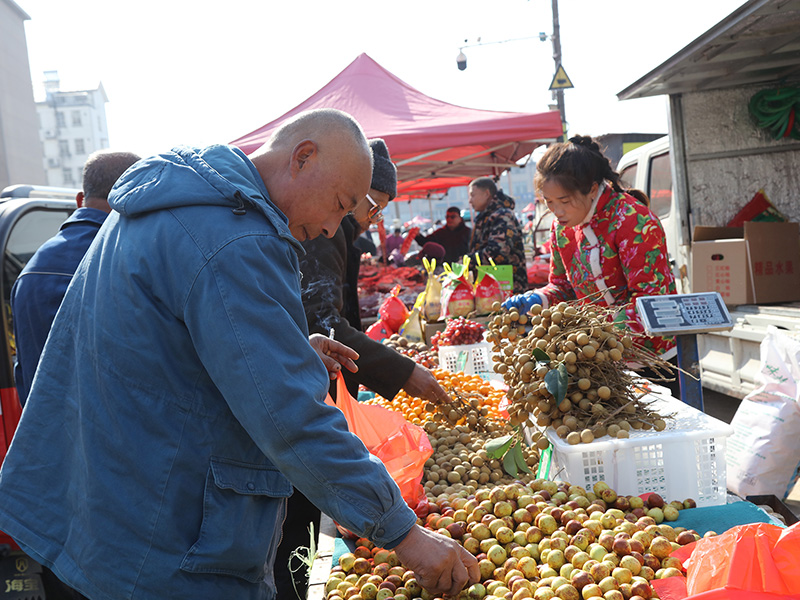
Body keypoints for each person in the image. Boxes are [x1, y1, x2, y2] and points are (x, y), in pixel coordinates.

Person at [0, 109, 478, 600]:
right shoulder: (234, 236)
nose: (335, 229)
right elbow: (291, 415)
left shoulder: (177, 203)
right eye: (339, 204)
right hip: (157, 542)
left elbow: (166, 350)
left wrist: (288, 348)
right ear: (303, 157)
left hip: (100, 512)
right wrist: (403, 533)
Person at [284, 139, 451, 599]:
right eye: (372, 205)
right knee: (298, 524)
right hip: (310, 390)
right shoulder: (322, 228)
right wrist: (402, 372)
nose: (373, 218)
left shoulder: (336, 230)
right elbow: (323, 319)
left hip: (322, 376)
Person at [501, 135, 677, 380]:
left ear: (593, 189)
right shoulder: (561, 229)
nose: (557, 211)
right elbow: (563, 287)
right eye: (549, 202)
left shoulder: (632, 220)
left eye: (564, 201)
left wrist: (589, 331)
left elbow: (652, 301)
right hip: (596, 361)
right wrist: (538, 299)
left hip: (653, 360)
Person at [10, 150, 141, 407]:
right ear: (136, 197)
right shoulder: (135, 259)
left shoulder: (31, 271)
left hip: (50, 439)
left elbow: (24, 372)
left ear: (80, 199)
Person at [468, 178, 528, 294]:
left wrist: (466, 261)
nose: (470, 201)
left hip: (508, 289)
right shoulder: (486, 216)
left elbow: (497, 252)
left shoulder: (502, 215)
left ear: (487, 194)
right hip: (492, 288)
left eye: (473, 195)